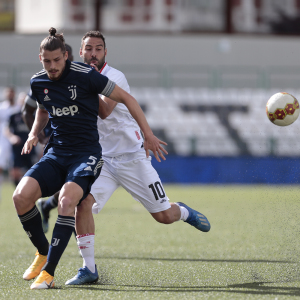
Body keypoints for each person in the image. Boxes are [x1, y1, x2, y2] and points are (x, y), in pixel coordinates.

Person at [13, 27, 166, 290]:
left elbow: (125, 100)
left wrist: (148, 134)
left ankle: (49, 273)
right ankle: (43, 252)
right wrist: (33, 134)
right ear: (41, 59)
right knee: (20, 197)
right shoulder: (38, 82)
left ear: (67, 56)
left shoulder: (88, 76)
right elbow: (41, 109)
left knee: (68, 201)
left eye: (57, 60)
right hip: (57, 153)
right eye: (47, 61)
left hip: (89, 154)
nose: (52, 66)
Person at [63, 31, 211, 285]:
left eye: (98, 49)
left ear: (105, 53)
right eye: (89, 49)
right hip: (102, 160)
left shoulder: (114, 76)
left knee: (163, 216)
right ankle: (89, 268)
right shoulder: (76, 77)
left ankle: (183, 212)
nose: (93, 54)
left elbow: (106, 111)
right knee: (83, 202)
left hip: (131, 156)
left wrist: (86, 83)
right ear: (81, 52)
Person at [21, 44, 74, 233]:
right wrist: (37, 135)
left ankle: (48, 206)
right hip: (56, 143)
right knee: (71, 190)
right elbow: (28, 110)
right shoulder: (42, 82)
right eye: (49, 61)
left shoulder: (80, 78)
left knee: (74, 189)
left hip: (83, 143)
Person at [5, 92, 36, 186]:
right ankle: (18, 190)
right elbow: (6, 129)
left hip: (30, 147)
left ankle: (30, 192)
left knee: (32, 171)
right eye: (21, 100)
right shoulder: (14, 116)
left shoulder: (33, 116)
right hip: (17, 148)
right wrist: (12, 137)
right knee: (15, 172)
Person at [0, 87, 21, 197]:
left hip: (17, 143)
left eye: (12, 92)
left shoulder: (19, 108)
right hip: (3, 142)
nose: (10, 95)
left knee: (16, 170)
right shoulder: (1, 108)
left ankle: (20, 194)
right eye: (8, 93)